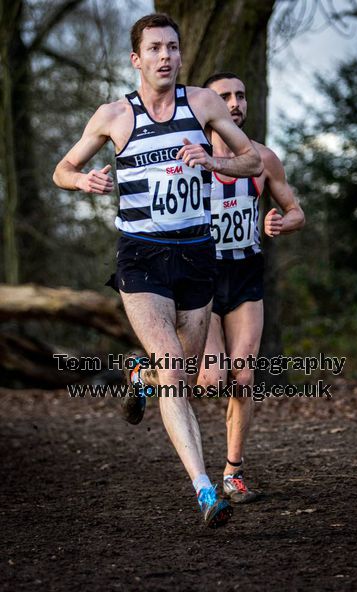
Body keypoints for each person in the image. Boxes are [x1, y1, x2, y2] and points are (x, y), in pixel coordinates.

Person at [52, 15, 262, 528]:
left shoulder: (205, 105)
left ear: (180, 55)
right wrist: (85, 184)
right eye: (154, 48)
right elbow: (61, 170)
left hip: (196, 254)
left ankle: (140, 377)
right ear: (136, 59)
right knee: (174, 366)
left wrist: (215, 165)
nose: (164, 56)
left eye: (172, 46)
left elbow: (252, 160)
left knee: (181, 376)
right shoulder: (114, 116)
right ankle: (205, 489)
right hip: (141, 254)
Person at [197, 72, 305, 504]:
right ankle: (146, 371)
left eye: (240, 95)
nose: (236, 102)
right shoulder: (190, 157)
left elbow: (296, 210)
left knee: (243, 377)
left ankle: (232, 474)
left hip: (245, 276)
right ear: (209, 104)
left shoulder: (262, 158)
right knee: (209, 380)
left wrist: (281, 220)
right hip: (200, 278)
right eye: (225, 96)